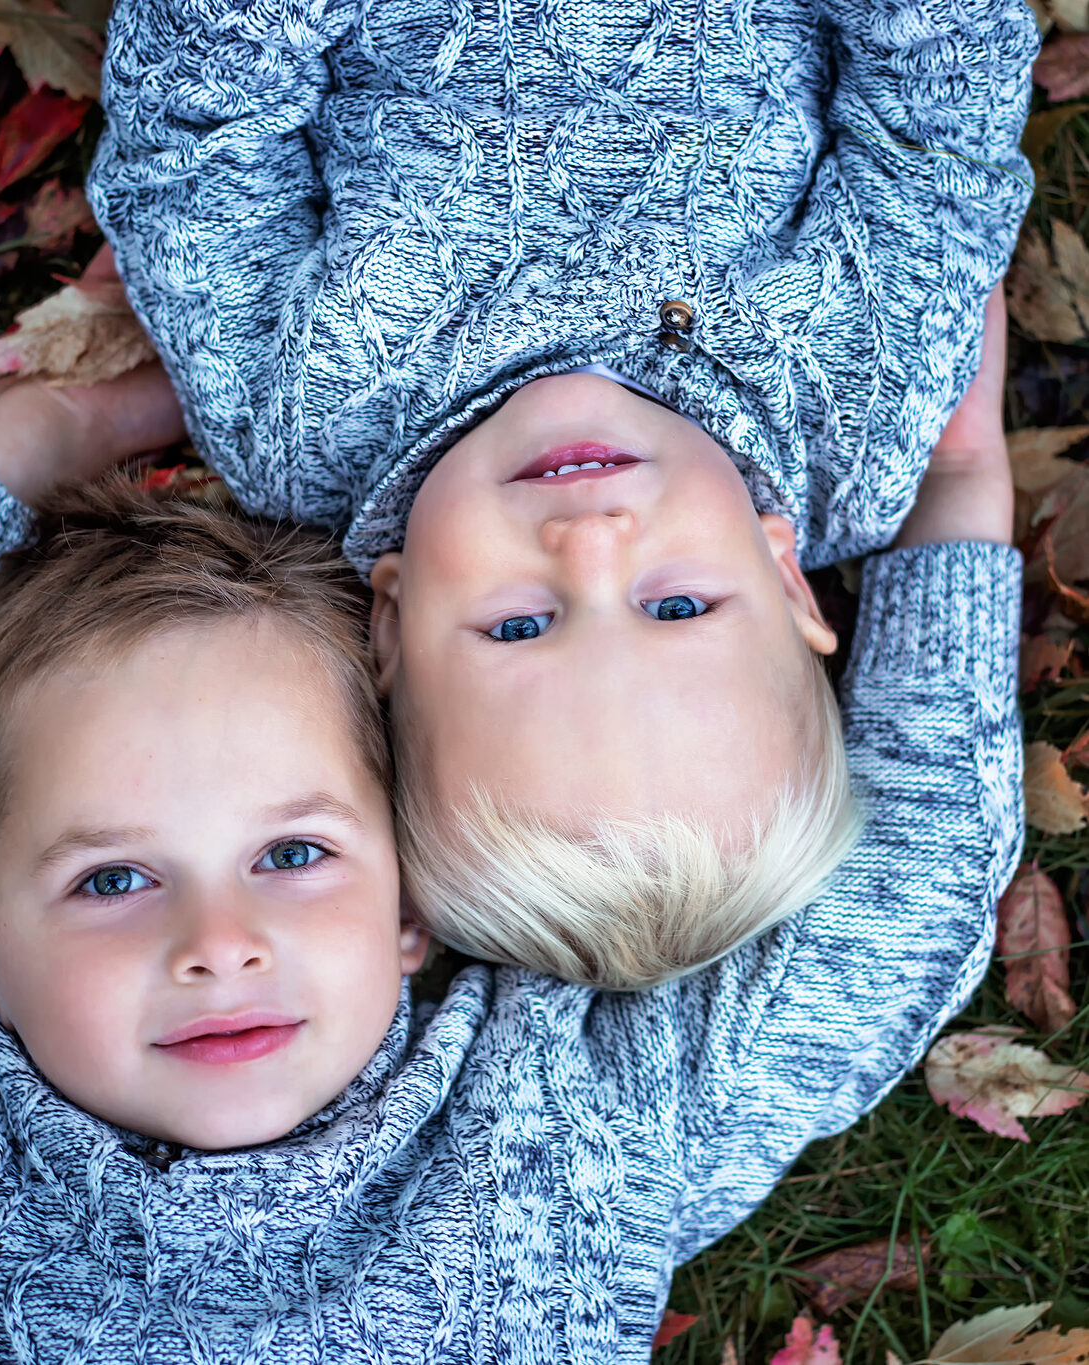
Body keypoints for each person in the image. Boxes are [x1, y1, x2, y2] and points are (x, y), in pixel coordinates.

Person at [0, 279, 1022, 1360]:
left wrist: (31, 449)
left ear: (410, 909)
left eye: (293, 855)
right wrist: (957, 495)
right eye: (111, 879)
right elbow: (888, 926)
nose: (218, 945)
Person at [86, 0, 1039, 985]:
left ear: (392, 621)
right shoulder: (853, 422)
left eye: (519, 626)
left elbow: (194, 154)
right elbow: (939, 133)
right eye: (677, 606)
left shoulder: (298, 432)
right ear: (786, 576)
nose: (590, 540)